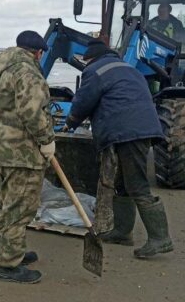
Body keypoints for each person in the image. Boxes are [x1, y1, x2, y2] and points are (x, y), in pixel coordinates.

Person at [64, 39, 174, 259]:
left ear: (90, 58)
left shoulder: (95, 71)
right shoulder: (128, 69)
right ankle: (122, 232)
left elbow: (83, 101)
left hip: (127, 133)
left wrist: (70, 123)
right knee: (122, 183)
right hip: (141, 129)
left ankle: (160, 238)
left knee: (137, 184)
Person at [0, 30, 55, 284]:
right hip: (21, 154)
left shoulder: (0, 68)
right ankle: (9, 266)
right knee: (20, 207)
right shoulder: (27, 72)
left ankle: (10, 251)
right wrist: (47, 141)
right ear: (37, 52)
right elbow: (33, 112)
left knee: (7, 204)